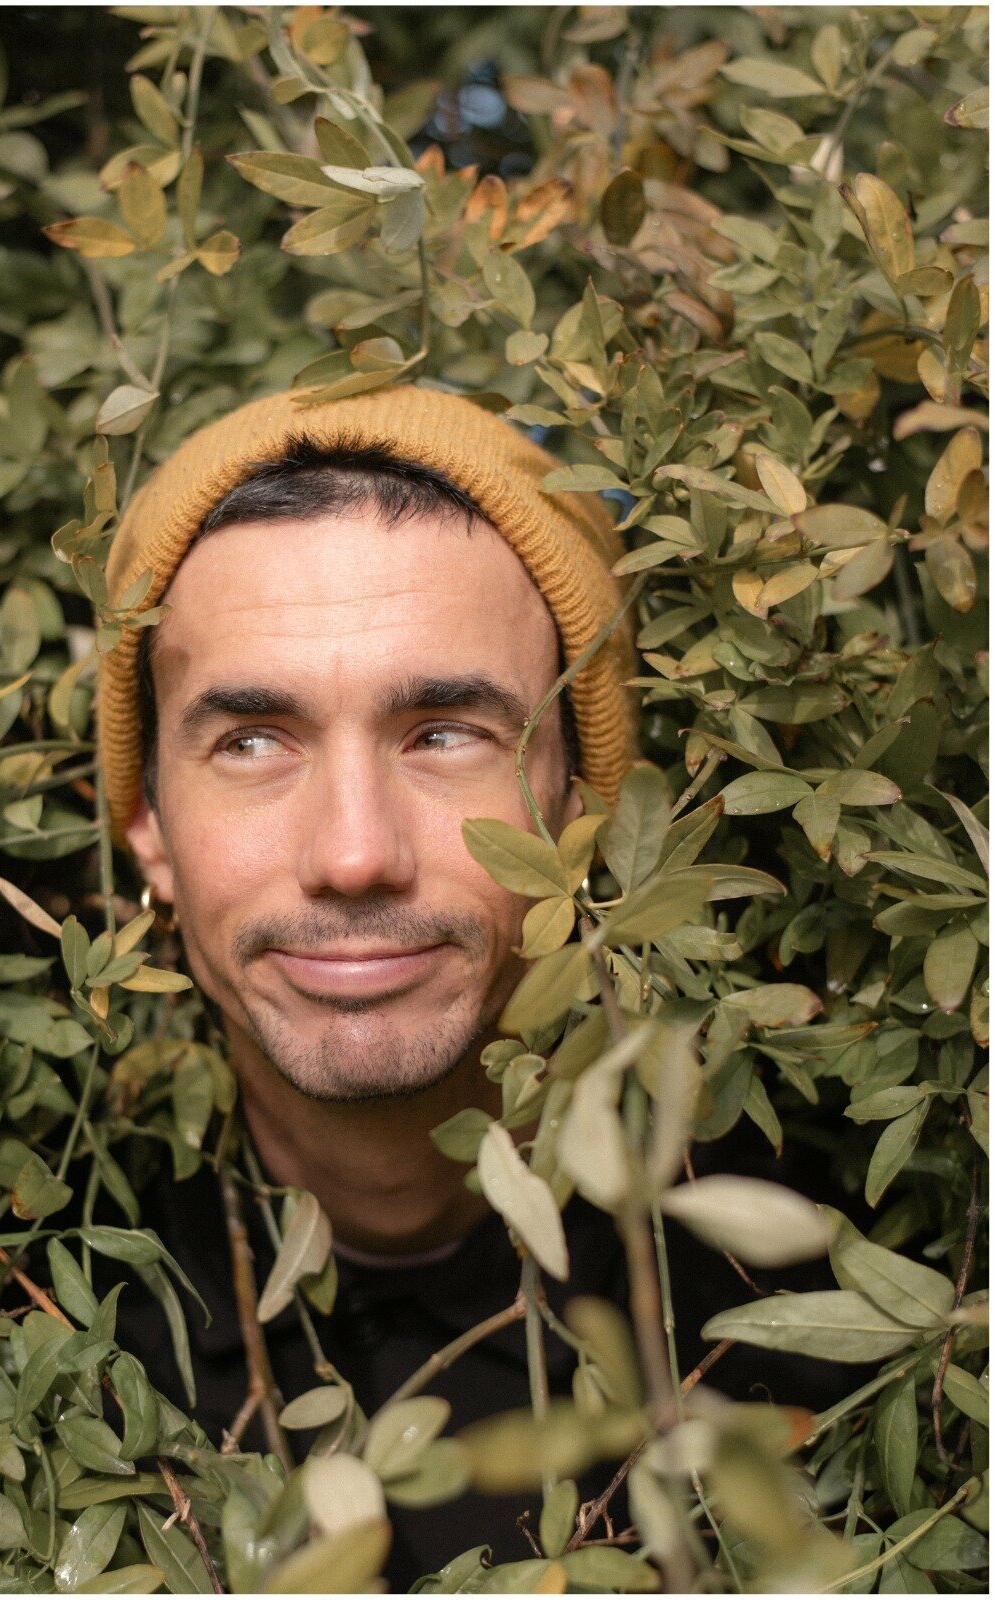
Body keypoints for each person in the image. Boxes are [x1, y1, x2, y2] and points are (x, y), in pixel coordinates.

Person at [91, 385, 853, 1587]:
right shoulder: (40, 1322)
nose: (354, 853)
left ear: (584, 807)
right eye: (252, 740)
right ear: (148, 826)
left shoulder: (820, 1305)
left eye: (444, 731)